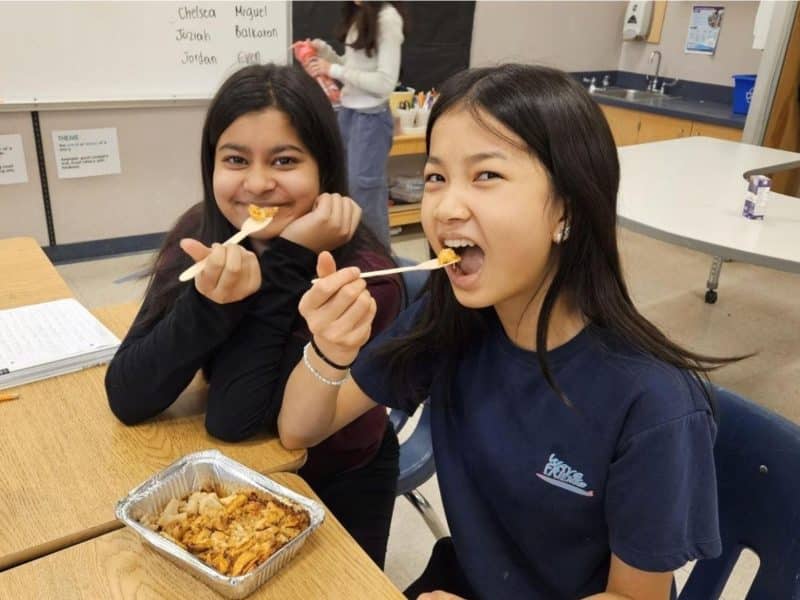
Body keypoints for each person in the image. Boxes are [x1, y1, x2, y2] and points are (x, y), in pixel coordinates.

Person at [277, 64, 743, 599]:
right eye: (436, 178)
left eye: (486, 176)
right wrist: (330, 352)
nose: (446, 208)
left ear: (565, 208)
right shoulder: (447, 318)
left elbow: (635, 596)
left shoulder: (653, 402)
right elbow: (299, 432)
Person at [105, 63, 403, 569]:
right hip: (234, 479)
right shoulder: (203, 232)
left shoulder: (361, 278)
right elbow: (128, 396)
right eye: (236, 159)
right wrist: (208, 303)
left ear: (325, 171)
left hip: (333, 480)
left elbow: (236, 419)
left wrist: (286, 261)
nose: (258, 183)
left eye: (285, 161)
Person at [300, 1, 406, 250]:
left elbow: (385, 83)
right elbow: (352, 67)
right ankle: (353, 252)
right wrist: (325, 53)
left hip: (371, 119)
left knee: (366, 192)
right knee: (344, 186)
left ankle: (378, 258)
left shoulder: (388, 18)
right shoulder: (361, 15)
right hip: (349, 113)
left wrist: (332, 68)